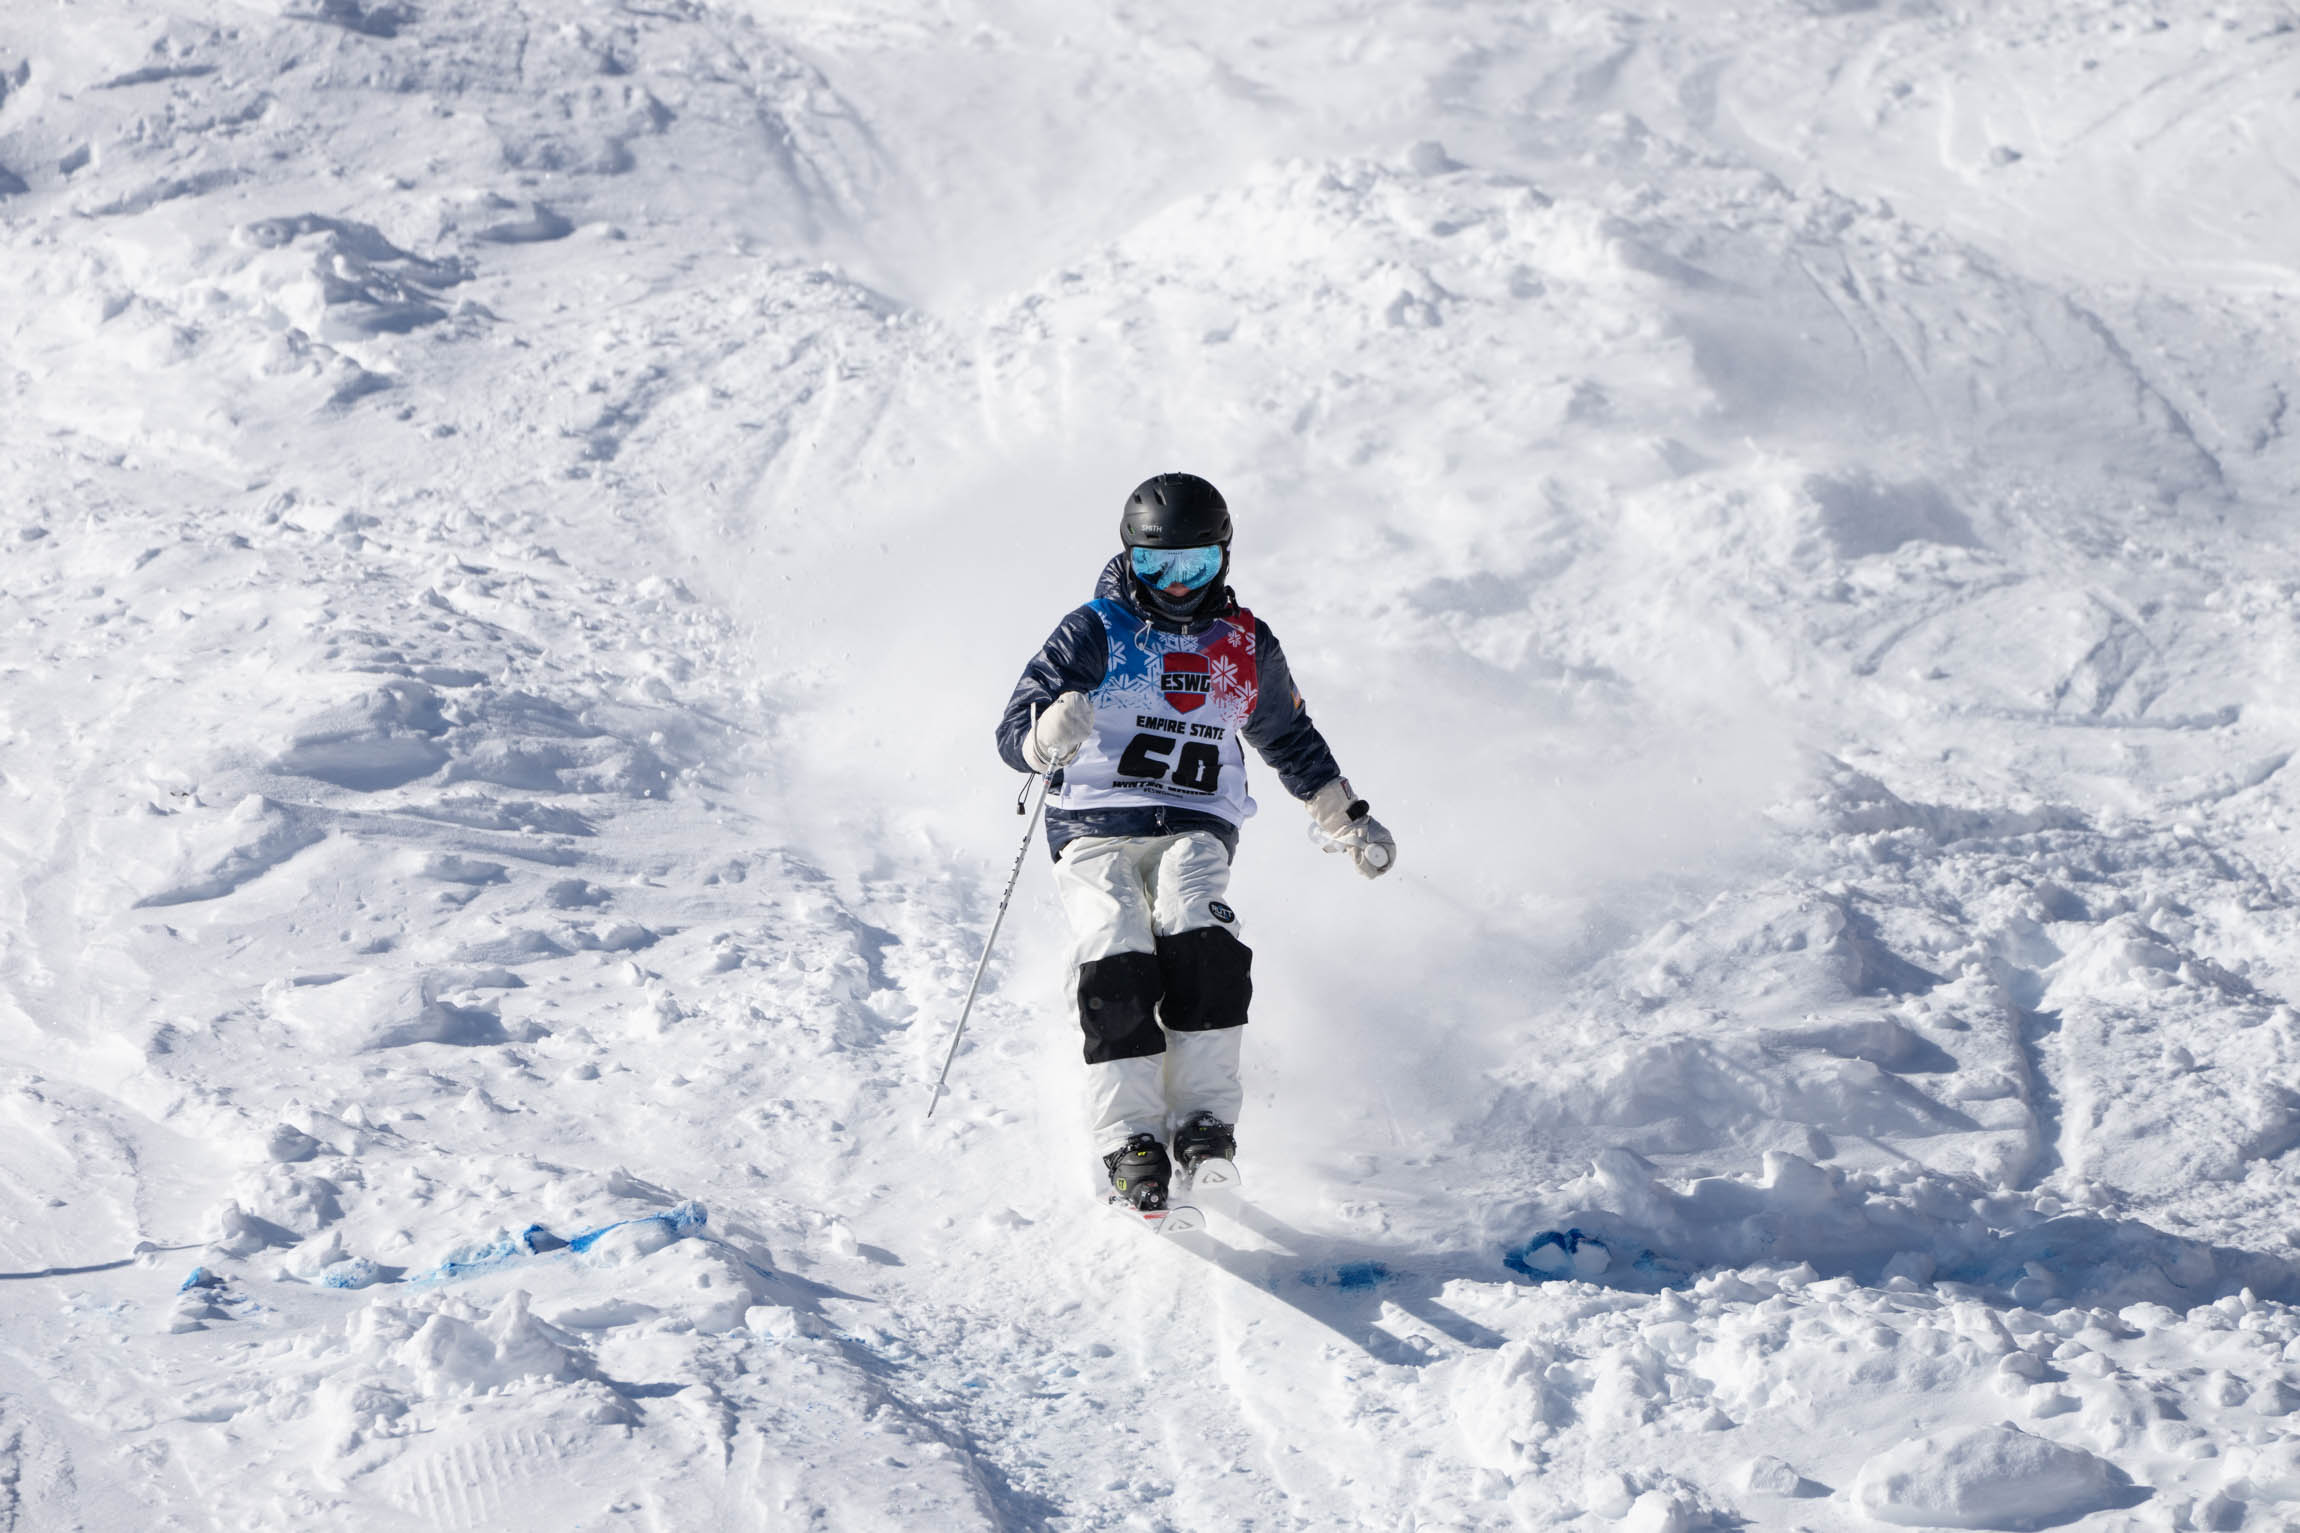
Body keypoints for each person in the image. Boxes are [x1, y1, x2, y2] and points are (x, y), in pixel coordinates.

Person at [995, 472, 1396, 1212]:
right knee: (1118, 943)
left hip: (1196, 822)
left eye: (1196, 564)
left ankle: (1204, 1122)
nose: (1177, 585)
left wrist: (1345, 818)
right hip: (1094, 825)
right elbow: (1016, 725)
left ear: (1224, 556)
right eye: (1157, 567)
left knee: (1199, 937)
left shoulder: (1242, 643)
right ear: (1130, 557)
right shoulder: (1097, 628)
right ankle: (1130, 1135)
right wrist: (1044, 736)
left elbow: (1288, 736)